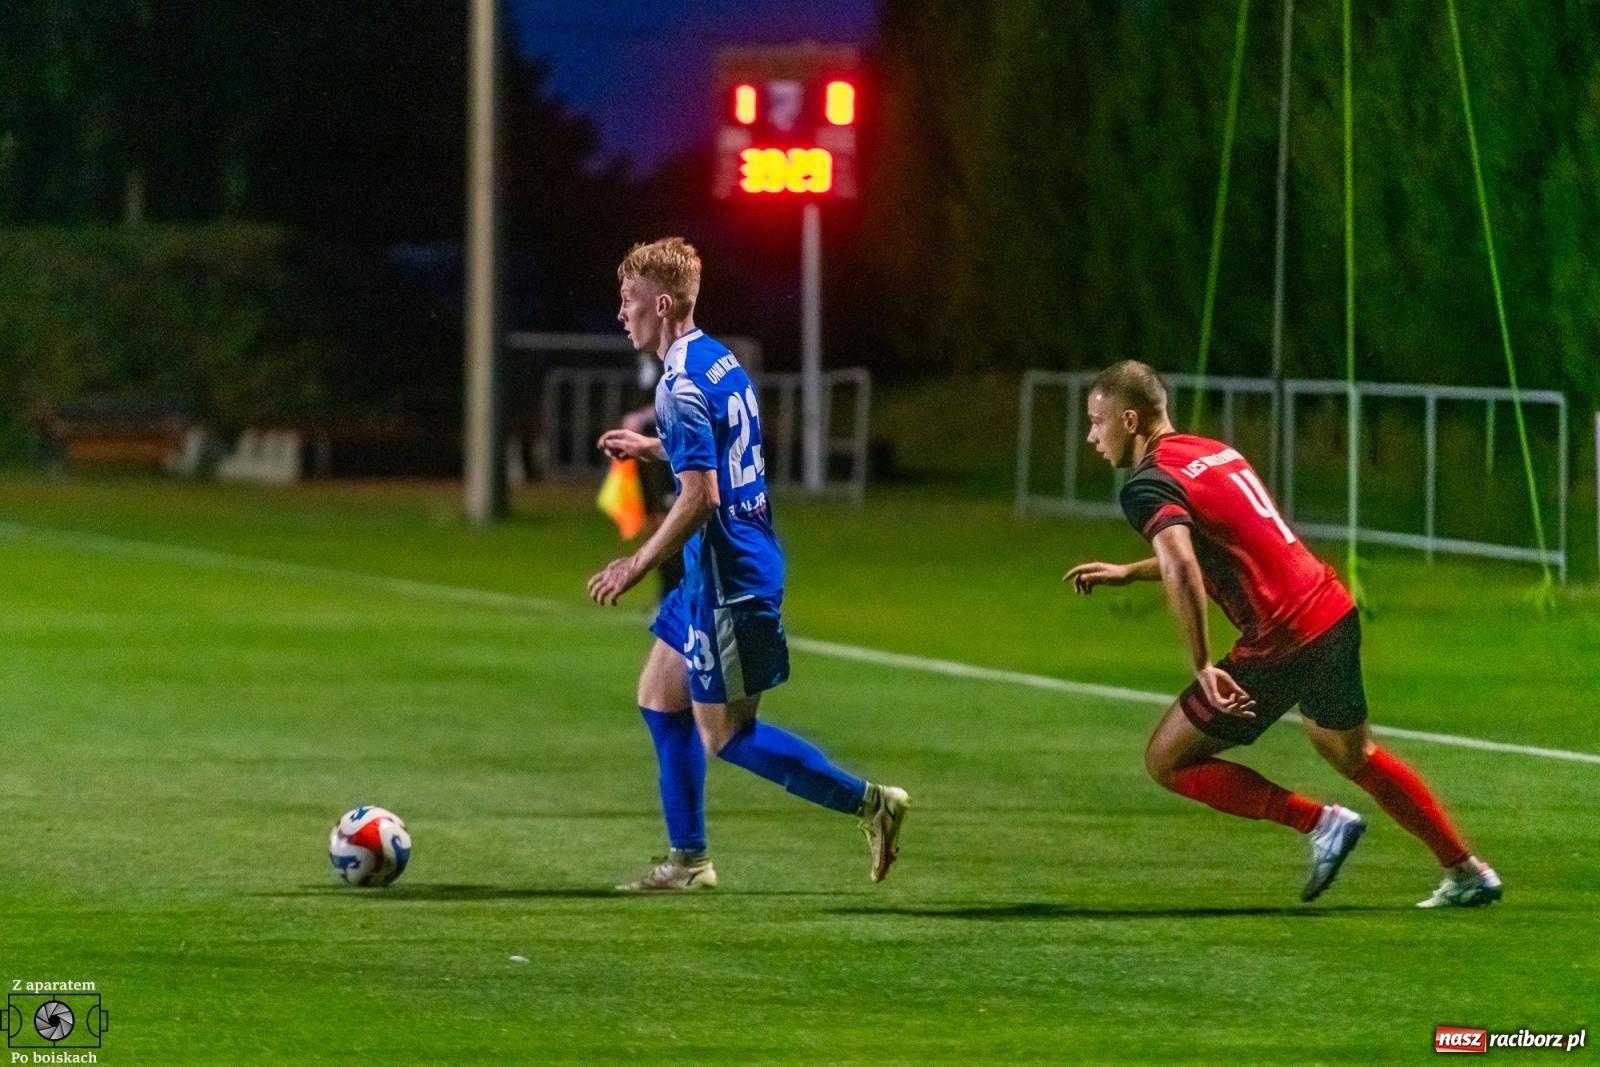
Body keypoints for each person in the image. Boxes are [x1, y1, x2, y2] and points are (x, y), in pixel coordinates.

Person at [1064, 360, 1500, 908]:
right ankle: (1466, 871)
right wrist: (1131, 572)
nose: (1092, 436)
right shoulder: (1211, 452)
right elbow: (1226, 543)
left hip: (1283, 635)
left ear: (1130, 420)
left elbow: (1182, 564)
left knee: (1167, 760)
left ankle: (1322, 824)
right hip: (1331, 612)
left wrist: (1202, 665)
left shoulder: (1147, 485)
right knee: (1351, 751)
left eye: (1096, 422)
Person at [587, 237, 909, 892]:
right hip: (717, 570)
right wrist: (652, 446)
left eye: (629, 301)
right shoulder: (716, 359)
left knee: (729, 735)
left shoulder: (677, 384)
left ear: (663, 304)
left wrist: (637, 563)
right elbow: (718, 444)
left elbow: (700, 497)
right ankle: (688, 861)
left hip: (729, 578)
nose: (622, 314)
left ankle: (872, 802)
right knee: (659, 697)